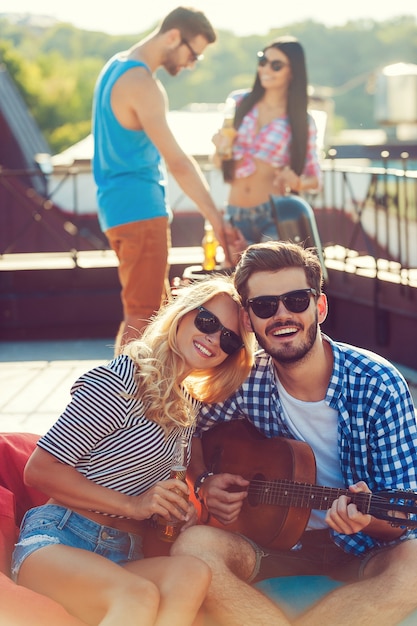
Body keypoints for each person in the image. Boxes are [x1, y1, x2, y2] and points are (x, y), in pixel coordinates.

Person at [172, 241, 417, 626]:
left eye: (297, 301)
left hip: (362, 548)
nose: (282, 315)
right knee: (192, 547)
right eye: (265, 306)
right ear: (249, 320)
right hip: (270, 545)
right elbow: (188, 428)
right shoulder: (245, 379)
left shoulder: (378, 385)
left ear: (319, 307)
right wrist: (204, 481)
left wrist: (366, 519)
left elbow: (404, 516)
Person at [11, 275, 255, 626]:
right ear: (183, 314)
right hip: (61, 538)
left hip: (123, 551)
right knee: (138, 595)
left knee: (192, 572)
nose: (214, 338)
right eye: (207, 321)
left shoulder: (188, 406)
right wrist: (134, 505)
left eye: (229, 339)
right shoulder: (122, 378)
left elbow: (156, 489)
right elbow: (39, 470)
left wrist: (173, 511)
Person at [92, 6, 229, 354]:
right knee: (144, 315)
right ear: (172, 36)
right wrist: (217, 219)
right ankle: (124, 401)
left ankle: (139, 398)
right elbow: (178, 163)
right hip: (140, 209)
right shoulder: (142, 83)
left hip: (117, 209)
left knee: (144, 311)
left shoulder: (114, 67)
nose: (192, 63)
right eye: (193, 52)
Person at [212, 37, 322, 264]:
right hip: (234, 213)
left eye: (276, 65)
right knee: (235, 285)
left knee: (268, 285)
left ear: (293, 71)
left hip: (272, 216)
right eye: (263, 61)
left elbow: (315, 180)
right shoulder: (239, 102)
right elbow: (218, 161)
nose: (265, 68)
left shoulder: (302, 121)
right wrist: (220, 148)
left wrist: (298, 182)